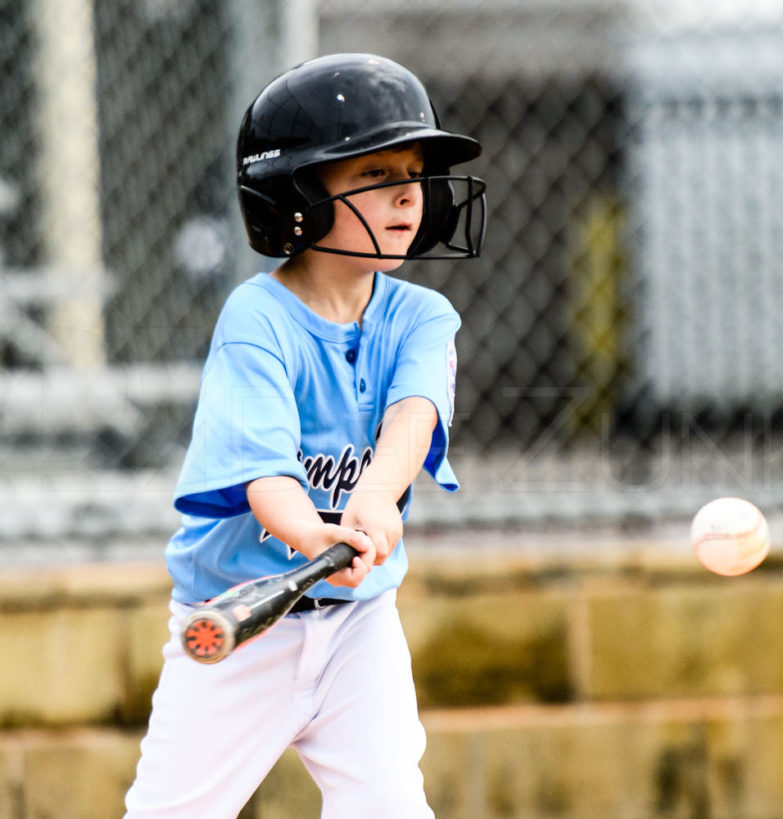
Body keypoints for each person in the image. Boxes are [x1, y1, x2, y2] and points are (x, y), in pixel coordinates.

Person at [124, 53, 486, 817]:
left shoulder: (423, 317)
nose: (405, 196)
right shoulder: (257, 320)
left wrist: (376, 499)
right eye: (373, 175)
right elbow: (267, 478)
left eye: (413, 173)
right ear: (298, 195)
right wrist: (317, 530)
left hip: (359, 624)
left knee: (390, 805)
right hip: (241, 612)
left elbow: (411, 414)